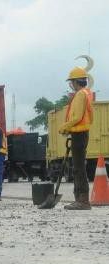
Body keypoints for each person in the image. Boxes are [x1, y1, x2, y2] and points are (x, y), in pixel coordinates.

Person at [59, 66, 94, 210]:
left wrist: (65, 127)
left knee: (79, 168)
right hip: (79, 133)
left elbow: (77, 117)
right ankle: (79, 199)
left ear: (75, 81)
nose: (71, 84)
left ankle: (83, 201)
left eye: (71, 81)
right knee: (77, 167)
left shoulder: (80, 94)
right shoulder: (86, 93)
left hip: (79, 134)